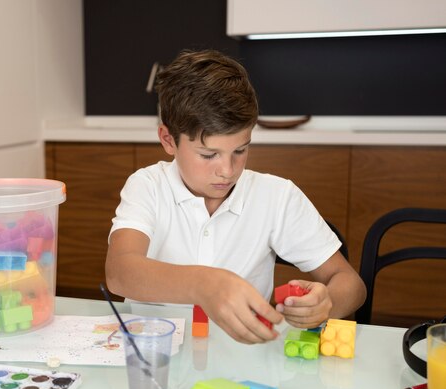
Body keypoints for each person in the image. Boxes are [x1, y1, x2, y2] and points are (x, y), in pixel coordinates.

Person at [104, 49, 367, 344]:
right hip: (152, 355)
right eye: (208, 154)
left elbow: (352, 285)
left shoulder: (276, 197)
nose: (227, 171)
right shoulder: (148, 186)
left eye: (240, 150)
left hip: (240, 363)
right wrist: (204, 284)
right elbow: (119, 272)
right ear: (168, 140)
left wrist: (325, 302)